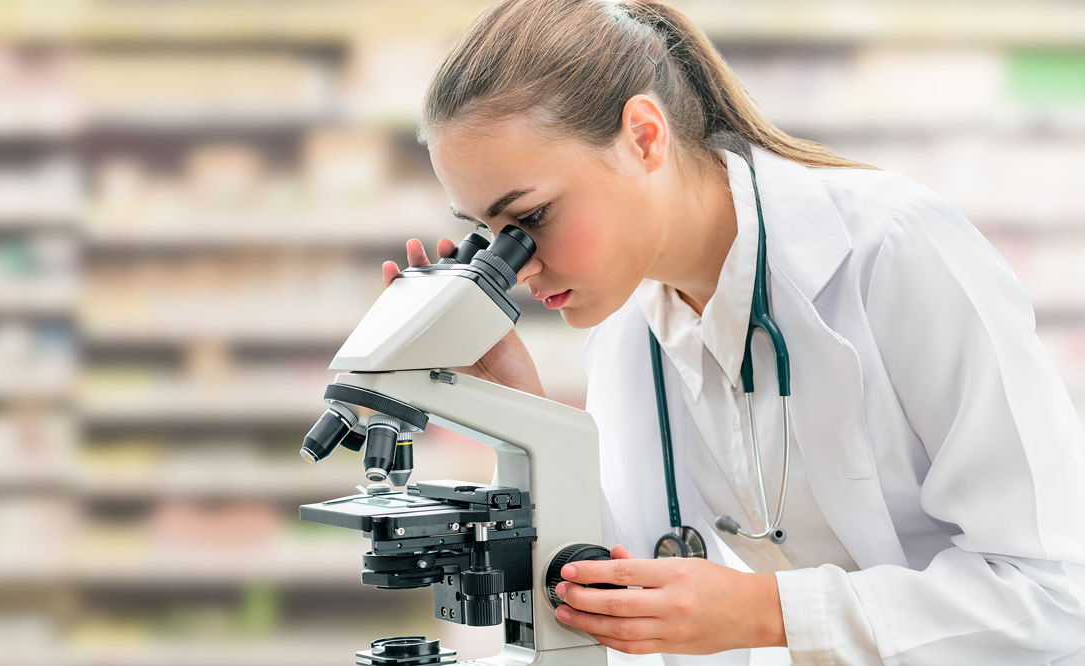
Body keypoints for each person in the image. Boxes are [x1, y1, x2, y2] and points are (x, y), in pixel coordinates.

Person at [381, 1, 1085, 663]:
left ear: (644, 138)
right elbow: (613, 587)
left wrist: (771, 611)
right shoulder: (633, 328)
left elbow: (1059, 598)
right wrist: (518, 413)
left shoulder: (895, 250)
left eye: (529, 219)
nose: (519, 267)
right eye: (488, 236)